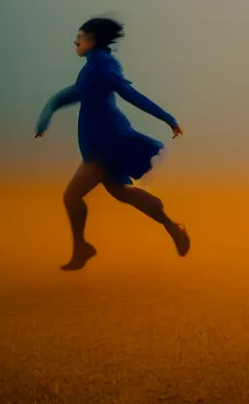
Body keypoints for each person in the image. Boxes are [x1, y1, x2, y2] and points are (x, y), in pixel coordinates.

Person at [35, 17, 190, 271]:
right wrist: (49, 109)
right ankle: (172, 227)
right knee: (122, 193)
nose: (76, 41)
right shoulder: (94, 66)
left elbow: (131, 94)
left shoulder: (102, 67)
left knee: (72, 196)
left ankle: (81, 249)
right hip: (99, 142)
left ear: (93, 39)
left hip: (104, 144)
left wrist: (168, 118)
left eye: (81, 36)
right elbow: (75, 92)